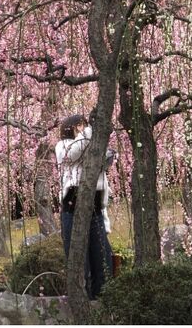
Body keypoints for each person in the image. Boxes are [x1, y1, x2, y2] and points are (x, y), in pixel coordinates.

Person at [55, 113, 114, 299]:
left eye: (85, 125)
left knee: (103, 258)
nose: (83, 129)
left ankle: (101, 299)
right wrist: (89, 132)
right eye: (79, 126)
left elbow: (106, 161)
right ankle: (82, 301)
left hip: (96, 205)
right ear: (69, 128)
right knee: (80, 260)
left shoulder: (93, 146)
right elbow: (71, 154)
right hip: (72, 203)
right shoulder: (63, 145)